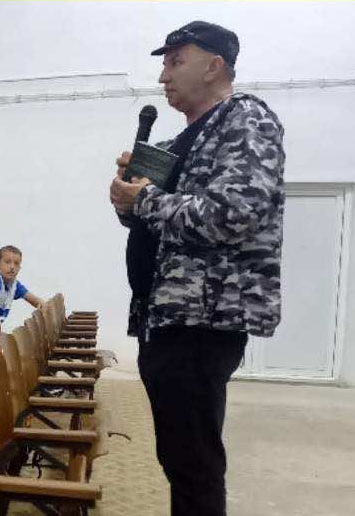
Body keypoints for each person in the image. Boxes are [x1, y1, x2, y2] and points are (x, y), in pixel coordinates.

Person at [108, 21, 285, 516]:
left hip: (202, 320)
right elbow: (150, 218)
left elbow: (234, 213)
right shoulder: (180, 141)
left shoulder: (245, 120)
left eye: (175, 61)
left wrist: (144, 200)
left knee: (194, 464)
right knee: (182, 459)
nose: (163, 75)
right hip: (165, 318)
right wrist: (127, 198)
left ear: (214, 66)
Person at [0, 245, 43, 342]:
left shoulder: (14, 285)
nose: (12, 267)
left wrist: (46, 308)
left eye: (16, 264)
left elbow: (36, 301)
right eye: (7, 262)